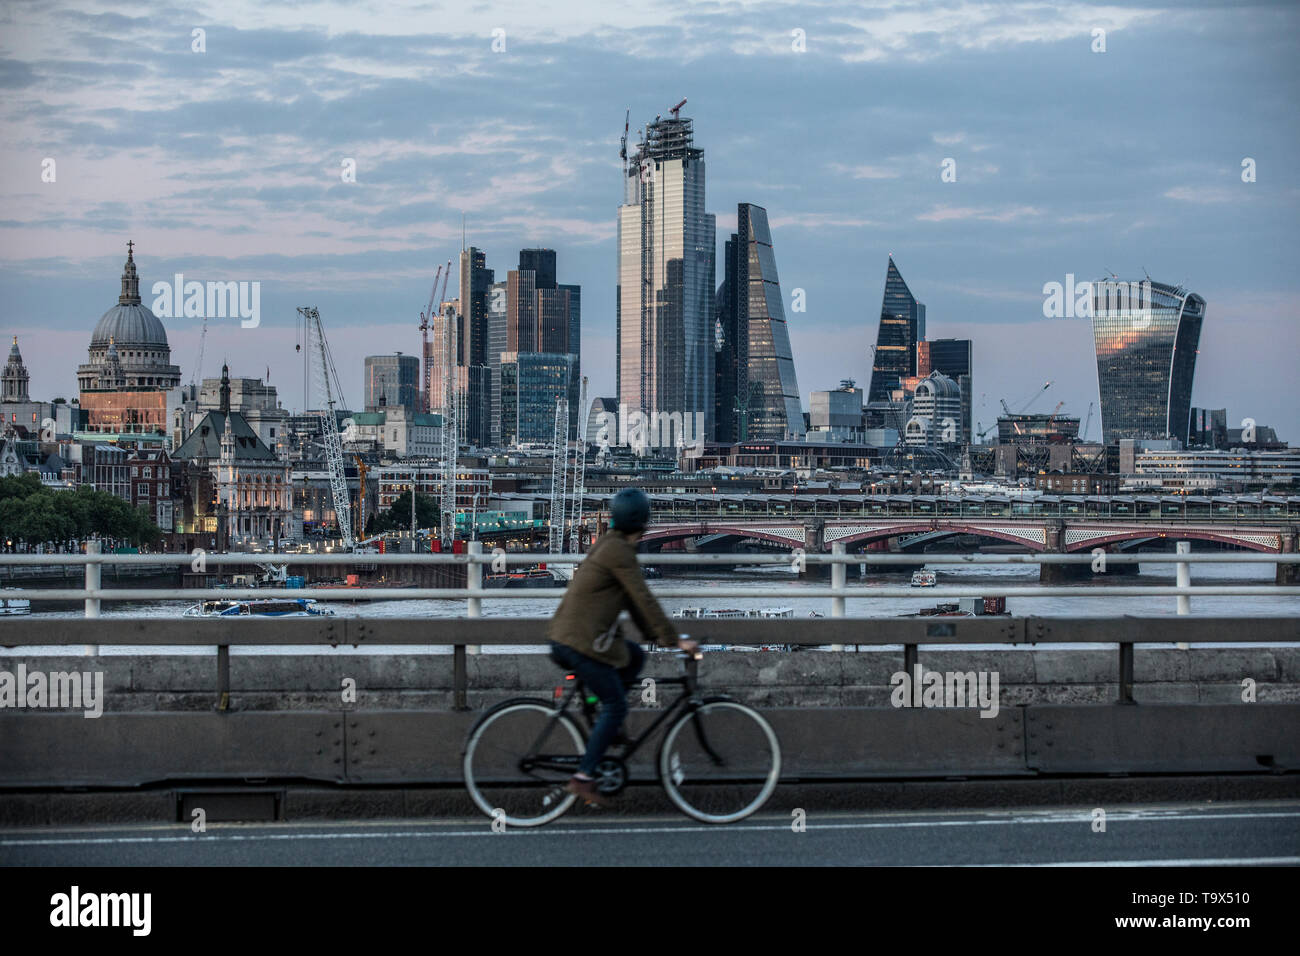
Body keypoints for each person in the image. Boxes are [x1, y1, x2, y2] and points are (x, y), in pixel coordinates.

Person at [547, 487, 697, 806]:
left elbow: (631, 601)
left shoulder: (609, 544)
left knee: (636, 657)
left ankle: (607, 727)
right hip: (580, 643)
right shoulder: (620, 553)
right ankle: (583, 777)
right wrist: (674, 640)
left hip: (573, 637)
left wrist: (656, 637)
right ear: (643, 522)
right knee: (617, 705)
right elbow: (643, 597)